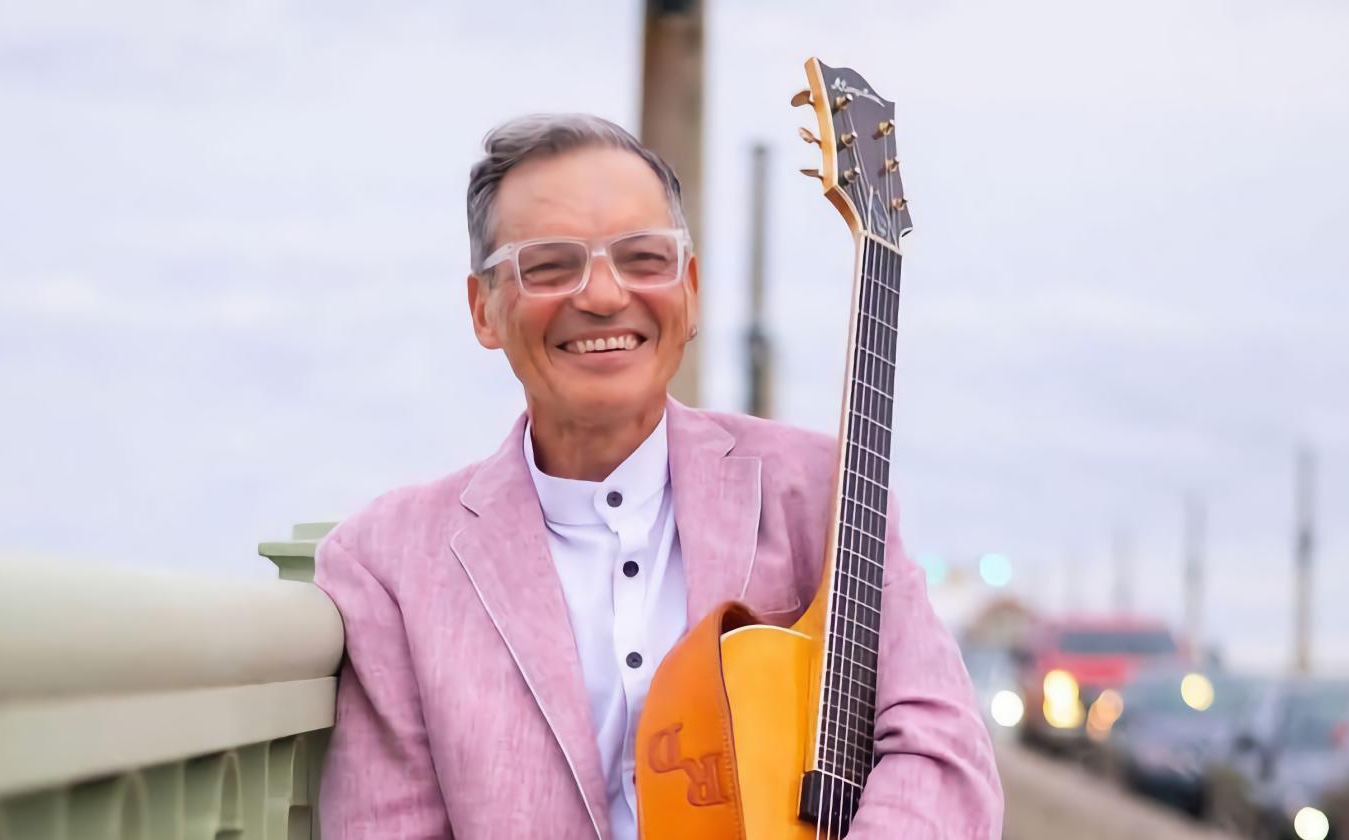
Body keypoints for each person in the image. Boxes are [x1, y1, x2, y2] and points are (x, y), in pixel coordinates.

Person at [314, 113, 1002, 839]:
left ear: (692, 290)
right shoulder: (387, 565)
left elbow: (940, 748)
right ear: (483, 309)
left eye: (644, 258)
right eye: (550, 265)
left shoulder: (822, 494)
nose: (605, 296)